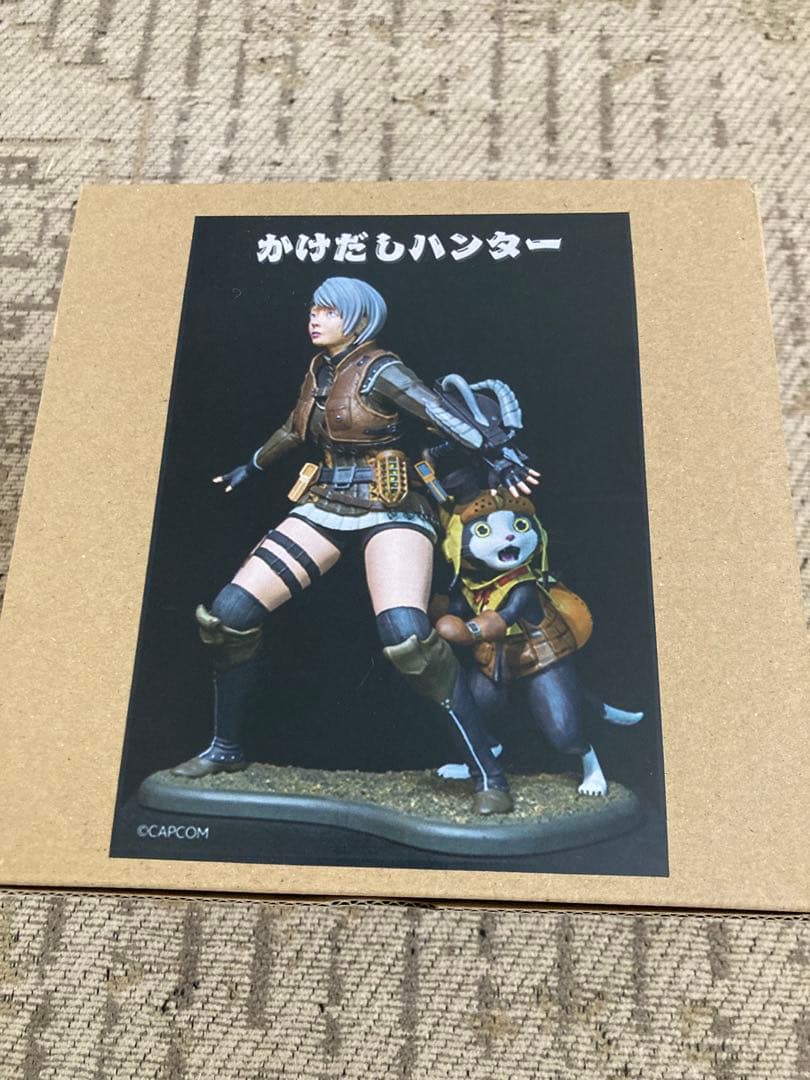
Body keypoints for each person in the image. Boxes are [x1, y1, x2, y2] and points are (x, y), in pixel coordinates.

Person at [171, 276, 538, 814]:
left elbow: (437, 412)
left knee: (407, 638)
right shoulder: (321, 369)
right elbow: (295, 429)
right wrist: (253, 464)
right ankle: (225, 748)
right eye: (314, 308)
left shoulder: (383, 369)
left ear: (359, 319)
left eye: (329, 311)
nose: (314, 317)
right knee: (228, 616)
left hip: (392, 505)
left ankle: (489, 773)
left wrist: (496, 452)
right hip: (326, 501)